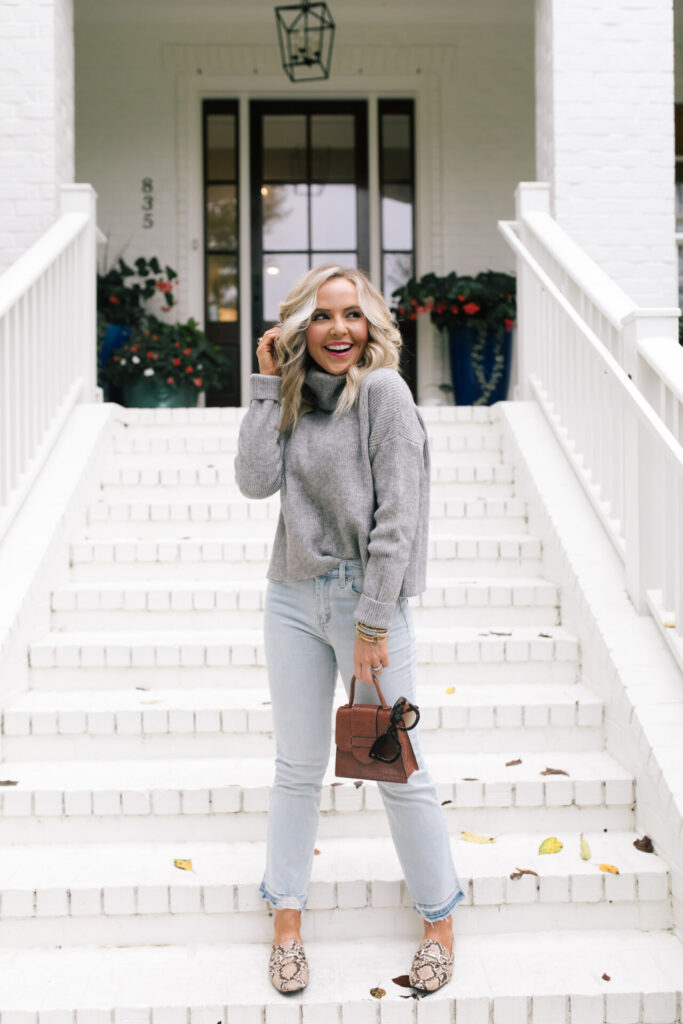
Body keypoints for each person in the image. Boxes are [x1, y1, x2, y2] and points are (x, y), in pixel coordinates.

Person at [235, 264, 464, 995]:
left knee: (397, 767)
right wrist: (266, 383)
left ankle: (438, 920)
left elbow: (399, 516)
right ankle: (286, 920)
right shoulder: (294, 396)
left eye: (353, 316)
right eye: (324, 317)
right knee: (296, 769)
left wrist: (371, 621)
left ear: (370, 327)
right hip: (292, 599)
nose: (339, 329)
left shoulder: (385, 395)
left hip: (369, 605)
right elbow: (253, 480)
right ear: (301, 326)